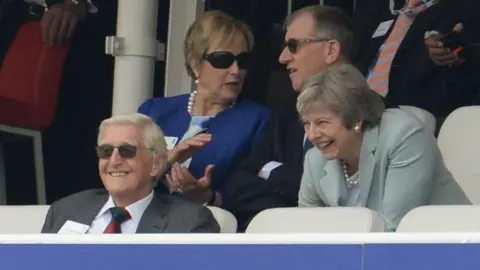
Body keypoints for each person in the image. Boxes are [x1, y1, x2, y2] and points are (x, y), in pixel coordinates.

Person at [226, 6, 357, 231]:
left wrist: (272, 172)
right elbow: (236, 189)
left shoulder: (366, 111)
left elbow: (336, 193)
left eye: (293, 46)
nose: (283, 57)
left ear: (331, 50)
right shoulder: (286, 113)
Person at [297, 64, 470, 231]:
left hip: (450, 249)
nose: (312, 135)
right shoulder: (315, 160)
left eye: (321, 123)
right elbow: (303, 231)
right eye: (307, 124)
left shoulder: (403, 136)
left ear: (356, 120)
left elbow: (392, 229)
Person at [138, 11, 269, 208]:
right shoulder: (154, 111)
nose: (235, 70)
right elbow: (124, 170)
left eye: (242, 61)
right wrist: (164, 160)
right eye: (223, 60)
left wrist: (207, 196)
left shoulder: (257, 120)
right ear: (195, 65)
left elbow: (254, 195)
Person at [41, 113, 220, 233]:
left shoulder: (189, 222)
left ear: (156, 164)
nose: (114, 161)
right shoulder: (65, 210)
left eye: (127, 151)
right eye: (106, 151)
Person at [354, 0, 480, 119]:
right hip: (357, 100)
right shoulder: (381, 6)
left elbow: (467, 66)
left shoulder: (466, 8)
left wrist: (455, 57)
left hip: (410, 114)